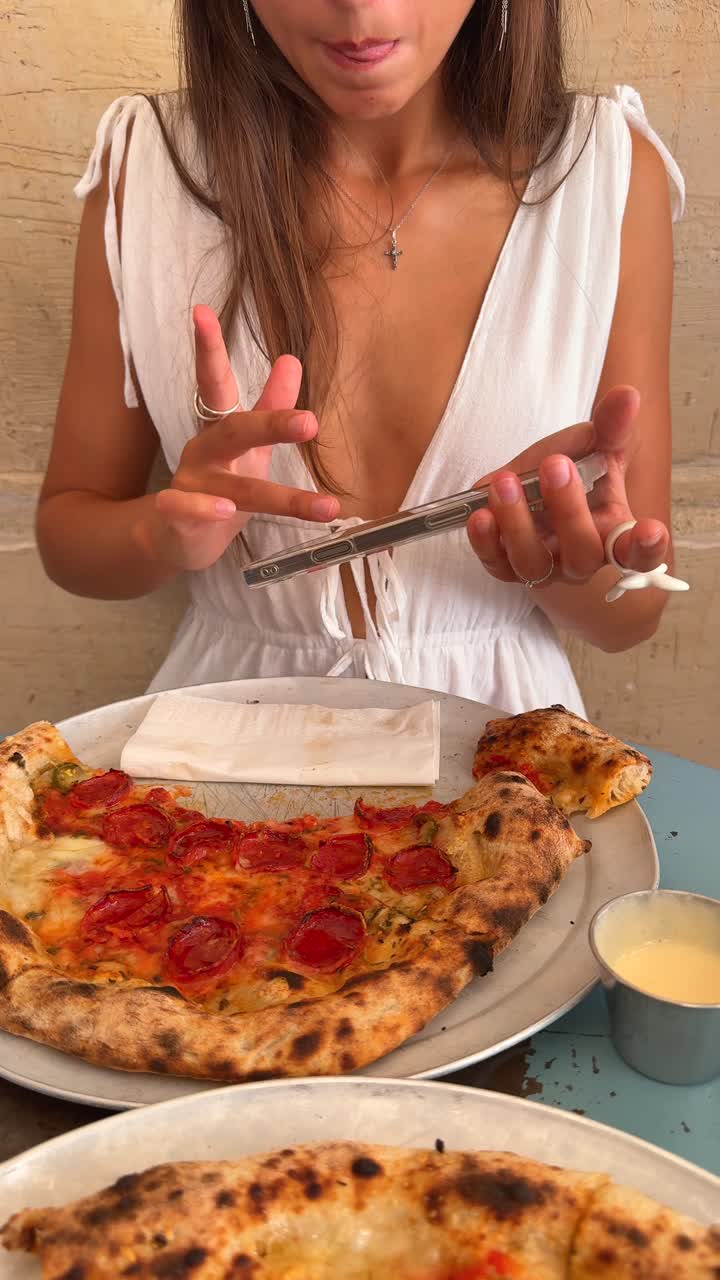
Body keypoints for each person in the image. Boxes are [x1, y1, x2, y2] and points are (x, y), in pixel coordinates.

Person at [37, 1, 684, 714]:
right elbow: (69, 535)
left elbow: (635, 613)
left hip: (506, 770)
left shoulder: (609, 172)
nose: (360, 9)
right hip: (215, 766)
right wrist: (163, 532)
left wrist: (563, 567)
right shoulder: (144, 171)